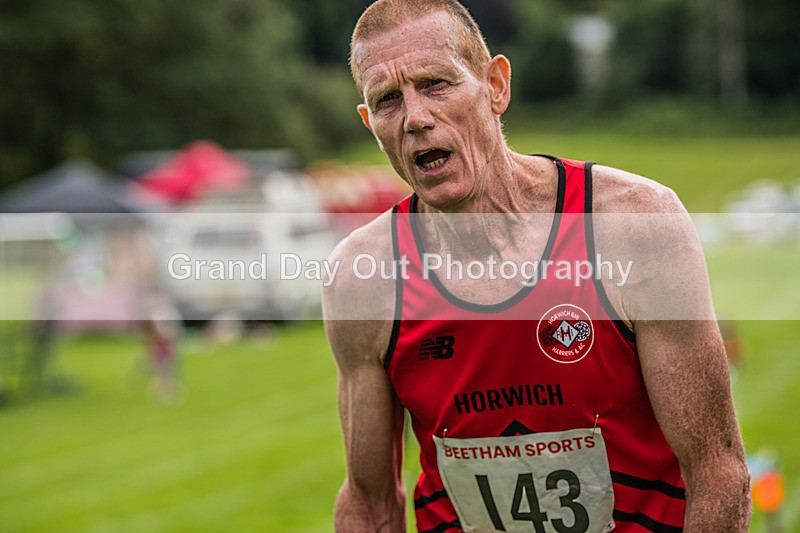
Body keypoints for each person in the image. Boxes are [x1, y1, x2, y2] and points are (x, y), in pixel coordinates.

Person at [322, 1, 751, 532]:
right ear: (370, 123)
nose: (415, 119)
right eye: (388, 100)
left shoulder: (634, 225)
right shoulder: (362, 278)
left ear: (496, 85)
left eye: (435, 84)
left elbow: (717, 473)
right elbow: (369, 502)